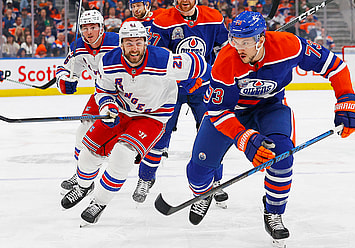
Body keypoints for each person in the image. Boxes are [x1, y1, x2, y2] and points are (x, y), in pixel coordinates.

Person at [183, 11, 355, 248]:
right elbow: (217, 111)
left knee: (282, 156)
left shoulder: (289, 45)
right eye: (235, 40)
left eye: (245, 41)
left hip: (270, 107)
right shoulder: (225, 61)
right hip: (231, 113)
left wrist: (346, 100)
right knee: (197, 172)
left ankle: (274, 212)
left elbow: (334, 66)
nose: (238, 47)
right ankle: (204, 192)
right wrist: (244, 138)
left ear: (261, 39)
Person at [60, 21, 212, 225]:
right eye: (129, 43)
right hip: (122, 110)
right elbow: (103, 90)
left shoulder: (163, 59)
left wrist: (201, 80)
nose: (134, 48)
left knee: (123, 154)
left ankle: (99, 202)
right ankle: (83, 186)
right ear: (121, 44)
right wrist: (108, 107)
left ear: (145, 42)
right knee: (88, 155)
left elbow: (200, 65)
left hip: (153, 115)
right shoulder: (109, 61)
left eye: (138, 42)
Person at [132, 0, 229, 206]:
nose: (184, 1)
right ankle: (146, 178)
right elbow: (156, 57)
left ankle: (215, 181)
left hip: (204, 87)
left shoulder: (214, 17)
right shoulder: (163, 21)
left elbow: (225, 51)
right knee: (160, 133)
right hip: (171, 88)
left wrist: (210, 72)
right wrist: (185, 77)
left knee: (212, 133)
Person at [56, 10, 119, 193]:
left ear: (101, 28)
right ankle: (81, 174)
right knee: (82, 131)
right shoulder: (78, 46)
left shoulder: (116, 41)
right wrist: (65, 81)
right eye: (84, 28)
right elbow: (64, 69)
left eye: (93, 27)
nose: (89, 32)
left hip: (127, 95)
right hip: (102, 92)